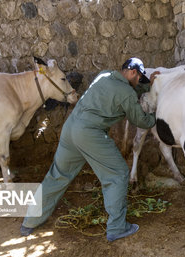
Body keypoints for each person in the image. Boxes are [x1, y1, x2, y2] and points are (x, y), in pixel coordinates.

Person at [21, 58, 157, 242]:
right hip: (89, 133)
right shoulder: (126, 92)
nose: (137, 83)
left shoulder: (104, 75)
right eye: (138, 78)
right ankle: (117, 227)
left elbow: (125, 92)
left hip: (71, 127)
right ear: (134, 73)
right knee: (118, 173)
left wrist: (145, 86)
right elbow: (139, 119)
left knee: (58, 174)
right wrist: (156, 118)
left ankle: (29, 221)